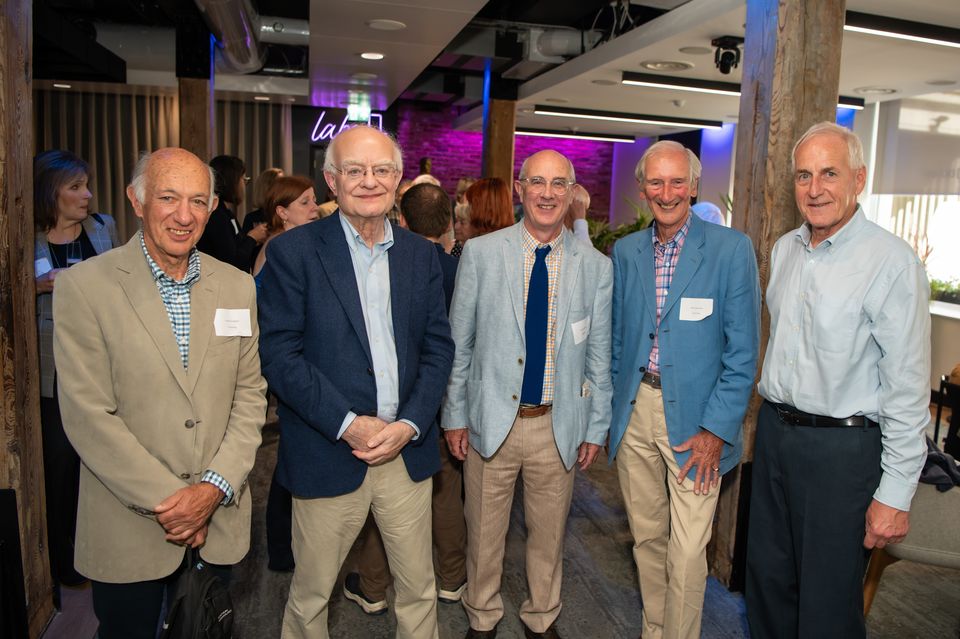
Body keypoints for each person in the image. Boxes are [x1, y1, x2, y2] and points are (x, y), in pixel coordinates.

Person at [52, 147, 267, 639]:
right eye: (168, 198)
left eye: (197, 200)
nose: (184, 215)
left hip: (219, 517)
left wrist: (212, 490)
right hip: (128, 521)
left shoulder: (237, 287)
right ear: (136, 200)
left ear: (214, 207)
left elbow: (251, 395)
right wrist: (179, 504)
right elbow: (89, 414)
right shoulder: (85, 287)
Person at [257, 125, 454, 639]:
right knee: (311, 597)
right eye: (354, 170)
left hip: (405, 454)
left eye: (381, 170)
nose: (369, 181)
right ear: (331, 180)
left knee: (418, 591)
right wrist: (347, 424)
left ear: (398, 180)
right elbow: (280, 355)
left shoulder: (421, 255)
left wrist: (411, 422)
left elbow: (439, 349)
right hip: (328, 452)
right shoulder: (293, 253)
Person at [746, 121, 931, 639]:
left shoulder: (891, 263)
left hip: (842, 453)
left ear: (859, 179)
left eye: (830, 173)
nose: (815, 188)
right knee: (768, 585)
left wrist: (894, 493)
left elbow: (907, 388)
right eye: (804, 175)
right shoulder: (785, 251)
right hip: (777, 437)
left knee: (826, 605)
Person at [443, 150, 613, 639]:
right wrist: (455, 415)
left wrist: (595, 427)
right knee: (484, 533)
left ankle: (542, 617)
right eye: (537, 182)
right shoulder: (481, 253)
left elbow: (600, 358)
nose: (547, 193)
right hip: (491, 419)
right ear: (519, 190)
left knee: (549, 535)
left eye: (559, 184)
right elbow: (461, 344)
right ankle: (482, 616)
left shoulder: (595, 268)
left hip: (556, 424)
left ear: (572, 193)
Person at [607, 140, 761, 639]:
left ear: (694, 187)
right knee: (647, 539)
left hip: (698, 423)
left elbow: (743, 355)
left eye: (678, 182)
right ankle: (656, 629)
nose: (667, 192)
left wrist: (717, 429)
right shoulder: (626, 251)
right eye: (657, 181)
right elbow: (617, 338)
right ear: (643, 187)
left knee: (690, 548)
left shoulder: (729, 249)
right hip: (637, 412)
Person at [344, 183, 466, 614]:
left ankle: (374, 586)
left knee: (387, 503)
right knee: (446, 494)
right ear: (450, 223)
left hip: (403, 407)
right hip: (447, 402)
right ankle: (453, 578)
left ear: (403, 222)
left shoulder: (401, 263)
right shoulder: (460, 269)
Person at [34, 149, 120, 591]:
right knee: (61, 469)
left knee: (103, 465)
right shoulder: (27, 239)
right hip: (50, 374)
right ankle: (64, 561)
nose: (86, 195)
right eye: (75, 187)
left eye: (86, 185)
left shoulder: (103, 229)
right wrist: (35, 286)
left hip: (100, 366)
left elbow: (122, 283)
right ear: (51, 193)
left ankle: (103, 550)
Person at [197, 155, 268, 271]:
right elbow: (232, 262)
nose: (244, 185)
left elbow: (235, 247)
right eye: (243, 179)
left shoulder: (226, 213)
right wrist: (252, 237)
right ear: (232, 181)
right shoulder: (216, 215)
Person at [242, 167, 284, 234]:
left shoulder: (288, 215)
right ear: (266, 188)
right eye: (280, 184)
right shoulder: (251, 218)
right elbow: (247, 243)